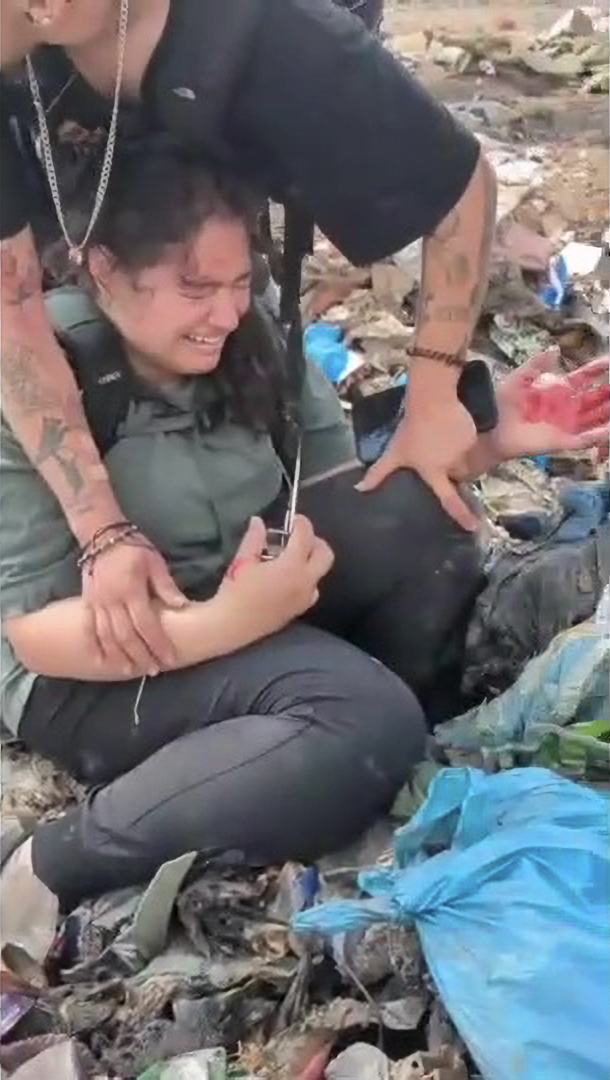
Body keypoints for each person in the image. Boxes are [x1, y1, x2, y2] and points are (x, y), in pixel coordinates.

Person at [1, 144, 607, 925]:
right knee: (363, 719)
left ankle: (333, 747)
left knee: (416, 519)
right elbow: (36, 639)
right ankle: (52, 865)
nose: (225, 312)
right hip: (94, 670)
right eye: (195, 288)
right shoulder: (35, 380)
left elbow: (339, 494)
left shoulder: (251, 337)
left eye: (239, 283)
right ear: (106, 268)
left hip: (243, 599)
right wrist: (229, 622)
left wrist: (484, 443)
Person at [1, 0, 498, 675]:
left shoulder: (272, 38)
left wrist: (437, 395)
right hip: (84, 300)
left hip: (188, 262)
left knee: (403, 520)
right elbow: (12, 304)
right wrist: (103, 532)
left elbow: (456, 184)